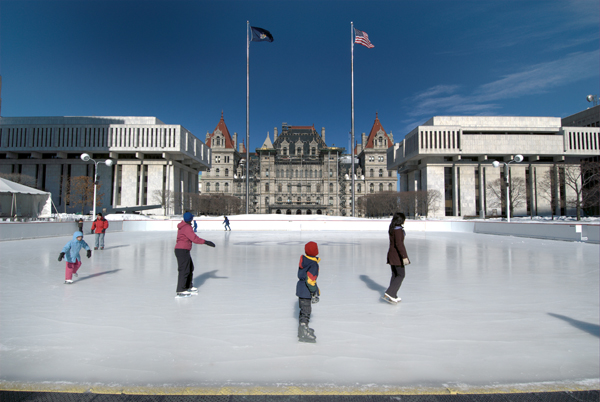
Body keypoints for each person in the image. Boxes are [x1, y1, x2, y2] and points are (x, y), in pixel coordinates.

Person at [174, 212, 215, 298]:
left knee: (189, 267)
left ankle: (188, 286)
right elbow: (194, 239)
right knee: (184, 269)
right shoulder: (187, 227)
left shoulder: (184, 226)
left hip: (182, 250)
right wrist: (206, 242)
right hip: (182, 250)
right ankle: (181, 289)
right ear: (190, 219)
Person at [296, 241, 320, 343]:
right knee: (306, 312)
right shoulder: (313, 264)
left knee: (303, 311)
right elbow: (310, 280)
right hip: (306, 291)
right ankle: (303, 332)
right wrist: (314, 291)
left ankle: (302, 330)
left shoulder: (304, 260)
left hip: (300, 288)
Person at [384, 212, 410, 304]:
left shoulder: (392, 228)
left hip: (392, 254)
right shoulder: (398, 230)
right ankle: (390, 292)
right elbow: (399, 245)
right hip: (397, 256)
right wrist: (404, 257)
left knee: (395, 274)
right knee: (401, 274)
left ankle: (393, 295)